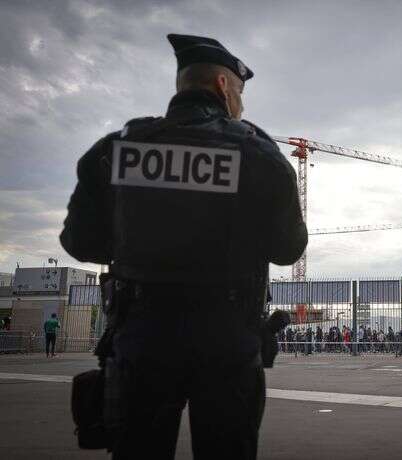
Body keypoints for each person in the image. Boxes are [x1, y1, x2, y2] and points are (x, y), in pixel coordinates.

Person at [59, 34, 307, 459]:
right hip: (228, 340)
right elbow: (288, 249)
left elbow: (79, 242)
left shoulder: (116, 150)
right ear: (223, 88)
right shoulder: (258, 155)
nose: (242, 107)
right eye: (241, 94)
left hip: (141, 336)